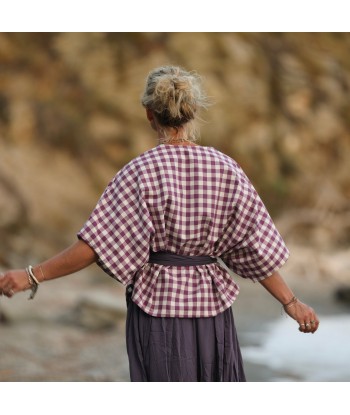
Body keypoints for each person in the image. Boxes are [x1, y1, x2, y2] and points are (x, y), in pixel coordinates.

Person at [0, 65, 319, 382]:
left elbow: (95, 246)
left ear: (149, 113)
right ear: (193, 113)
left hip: (155, 310)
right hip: (213, 308)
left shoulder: (138, 172)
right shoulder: (226, 170)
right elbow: (254, 247)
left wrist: (31, 275)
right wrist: (291, 302)